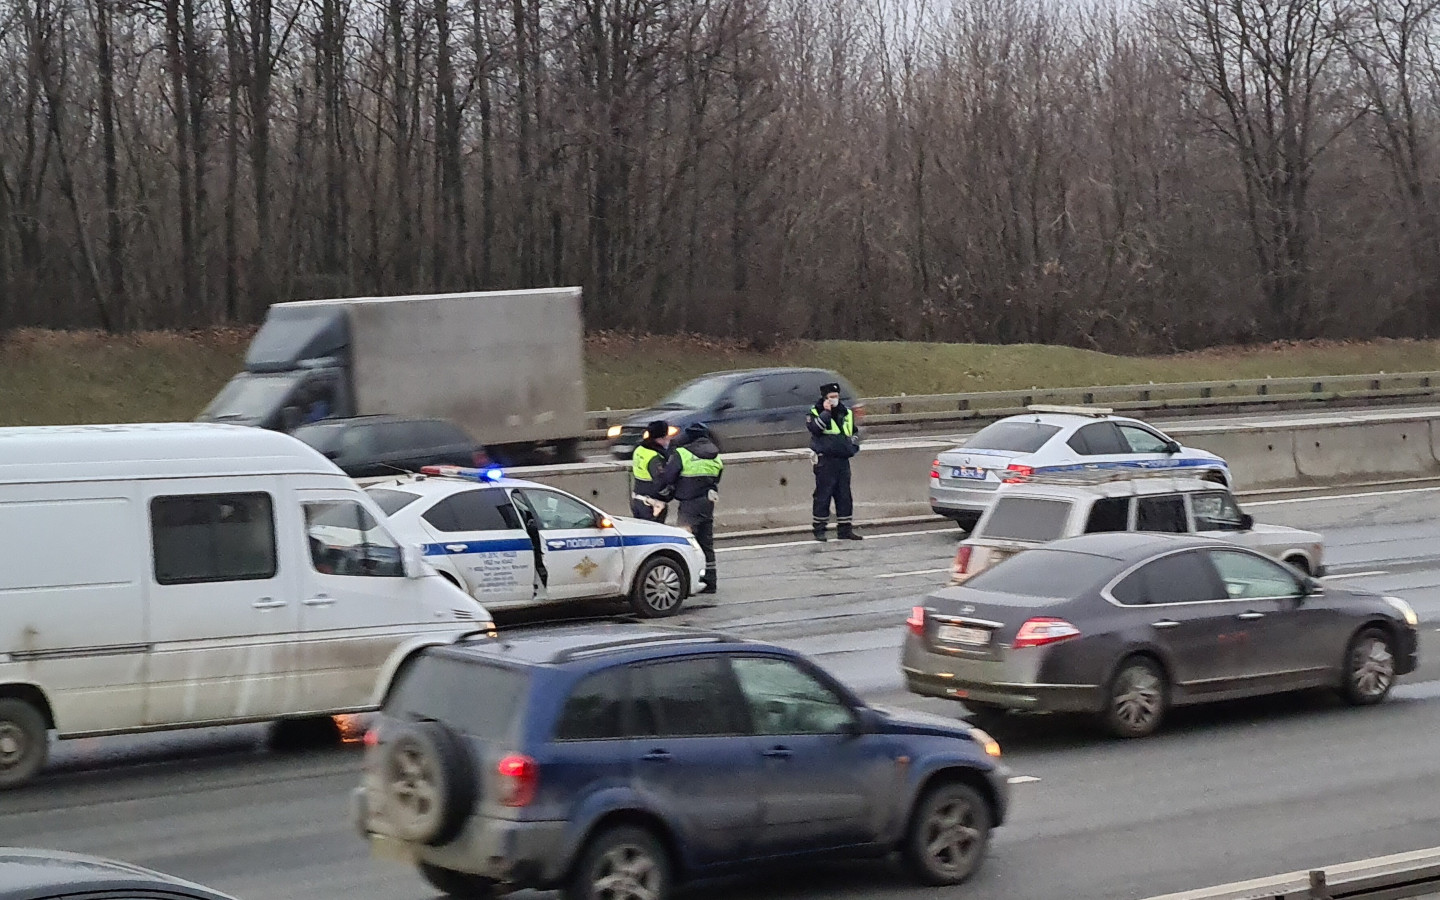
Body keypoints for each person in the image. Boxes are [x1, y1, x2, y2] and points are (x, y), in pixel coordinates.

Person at [664, 422, 723, 594]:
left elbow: (668, 476)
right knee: (706, 543)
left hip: (689, 504)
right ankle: (710, 581)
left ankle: (688, 581)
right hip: (707, 502)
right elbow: (717, 478)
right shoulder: (715, 455)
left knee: (685, 543)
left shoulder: (682, 454)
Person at [807, 381, 862, 542]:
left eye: (836, 396)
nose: (834, 399)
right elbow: (815, 429)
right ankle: (819, 530)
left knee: (844, 495)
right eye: (831, 397)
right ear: (825, 398)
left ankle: (845, 529)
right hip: (825, 460)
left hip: (842, 460)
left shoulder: (846, 413)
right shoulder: (815, 412)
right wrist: (826, 412)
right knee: (823, 496)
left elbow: (854, 433)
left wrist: (852, 447)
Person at [629, 419, 675, 523]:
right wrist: (671, 494)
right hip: (651, 505)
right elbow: (660, 481)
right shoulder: (655, 456)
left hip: (637, 500)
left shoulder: (639, 449)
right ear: (662, 437)